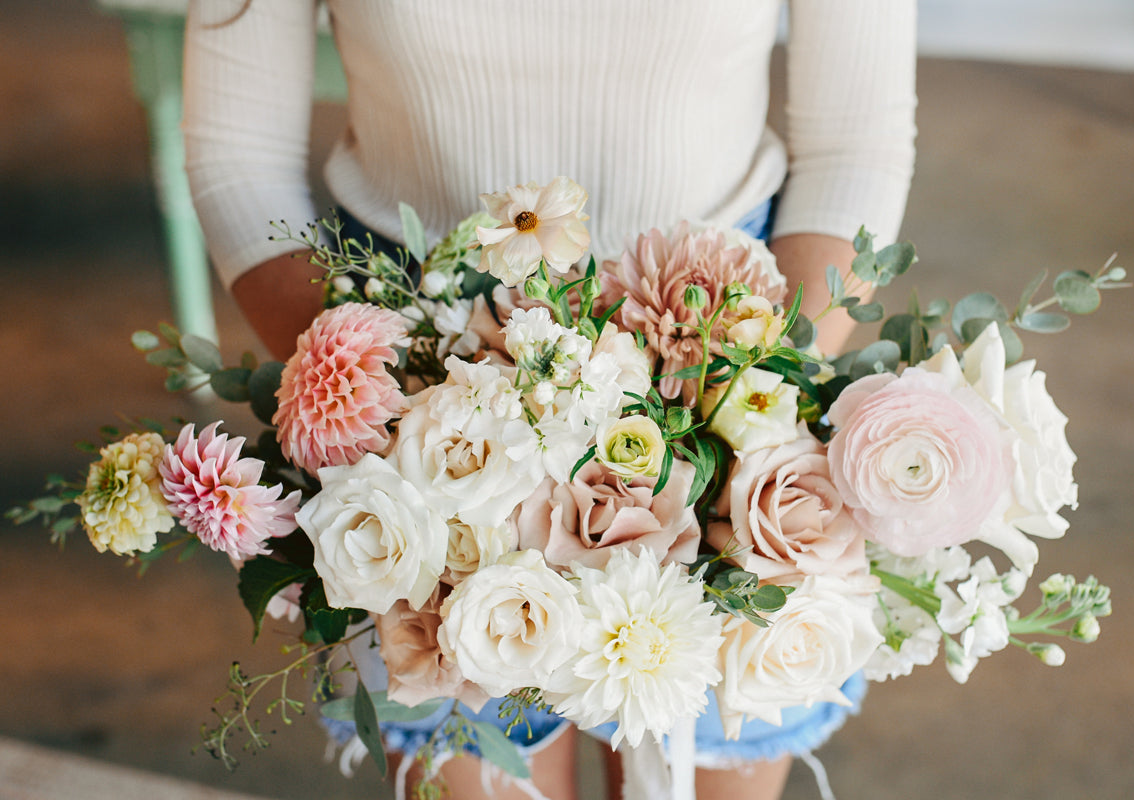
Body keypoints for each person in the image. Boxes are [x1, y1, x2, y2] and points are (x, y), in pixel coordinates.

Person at [182, 2, 917, 798]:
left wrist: (750, 397)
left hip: (725, 345)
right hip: (421, 375)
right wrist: (395, 408)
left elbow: (855, 143)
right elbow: (236, 153)